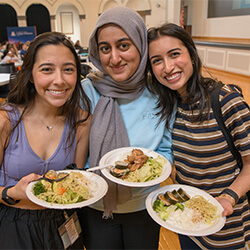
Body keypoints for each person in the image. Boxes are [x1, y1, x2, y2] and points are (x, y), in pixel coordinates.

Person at [146, 22, 250, 249]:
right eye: (157, 61)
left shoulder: (225, 100)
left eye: (174, 54)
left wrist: (228, 197)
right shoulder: (170, 106)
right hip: (187, 223)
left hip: (226, 226)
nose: (168, 67)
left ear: (191, 55)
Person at [77, 6, 174, 250]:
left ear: (141, 45)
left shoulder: (160, 92)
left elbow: (166, 148)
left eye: (123, 45)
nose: (114, 58)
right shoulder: (86, 91)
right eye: (105, 48)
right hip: (95, 204)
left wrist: (154, 169)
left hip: (144, 205)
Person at [0, 31, 92, 249]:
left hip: (64, 225)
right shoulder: (6, 120)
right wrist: (12, 192)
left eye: (68, 70)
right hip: (14, 224)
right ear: (30, 73)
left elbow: (76, 181)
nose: (59, 80)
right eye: (47, 69)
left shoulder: (81, 121)